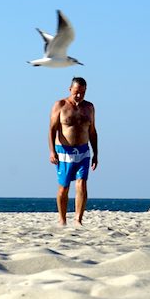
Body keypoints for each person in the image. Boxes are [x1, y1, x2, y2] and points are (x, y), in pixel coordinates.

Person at [48, 76, 98, 225]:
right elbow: (51, 129)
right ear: (70, 89)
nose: (79, 95)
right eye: (76, 92)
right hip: (63, 152)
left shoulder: (89, 107)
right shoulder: (60, 105)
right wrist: (52, 151)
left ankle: (78, 220)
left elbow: (93, 132)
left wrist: (96, 154)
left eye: (82, 92)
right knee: (64, 187)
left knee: (82, 183)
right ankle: (62, 220)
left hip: (83, 151)